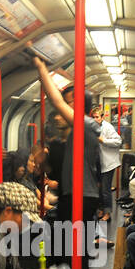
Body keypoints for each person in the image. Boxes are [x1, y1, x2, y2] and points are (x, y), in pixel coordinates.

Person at [33, 57, 102, 229]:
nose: (62, 108)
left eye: (68, 102)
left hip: (82, 197)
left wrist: (41, 68)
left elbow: (55, 101)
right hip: (70, 195)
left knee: (73, 249)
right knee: (67, 249)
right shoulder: (72, 135)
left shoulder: (86, 125)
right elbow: (57, 172)